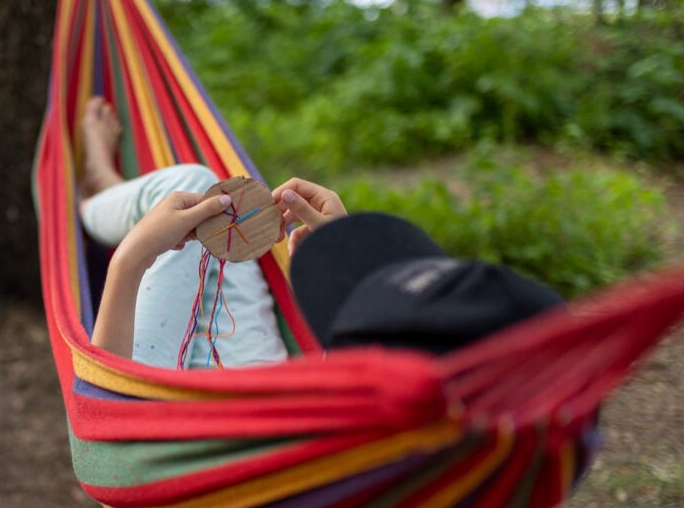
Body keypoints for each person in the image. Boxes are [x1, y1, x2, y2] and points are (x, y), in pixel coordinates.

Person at [79, 97, 565, 365]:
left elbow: (107, 428)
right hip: (267, 385)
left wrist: (131, 259)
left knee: (192, 187)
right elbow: (346, 389)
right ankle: (115, 190)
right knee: (225, 235)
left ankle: (102, 187)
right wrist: (345, 266)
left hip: (166, 418)